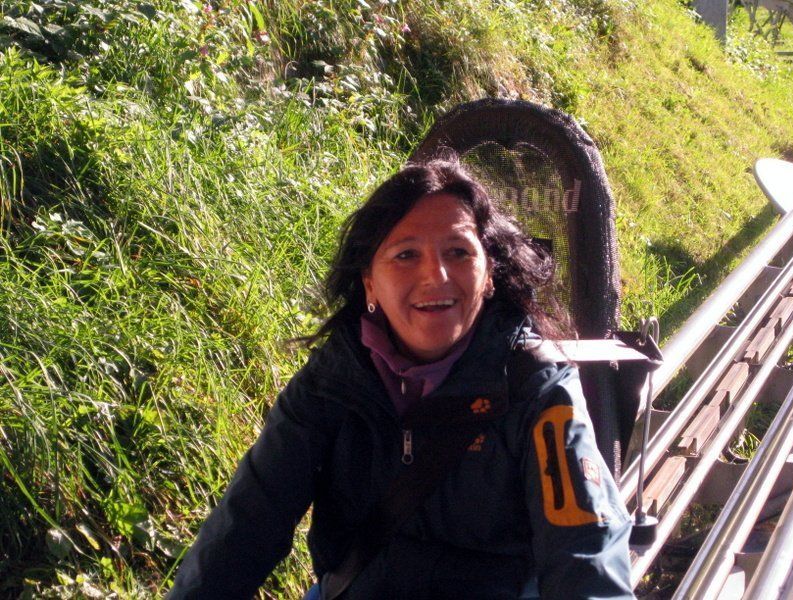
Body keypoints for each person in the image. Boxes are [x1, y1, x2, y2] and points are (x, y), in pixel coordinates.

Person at [168, 158, 634, 599]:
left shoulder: (536, 389)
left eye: (458, 252)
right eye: (406, 254)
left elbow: (586, 549)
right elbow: (249, 520)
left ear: (489, 273)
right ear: (369, 281)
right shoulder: (333, 382)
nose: (436, 275)